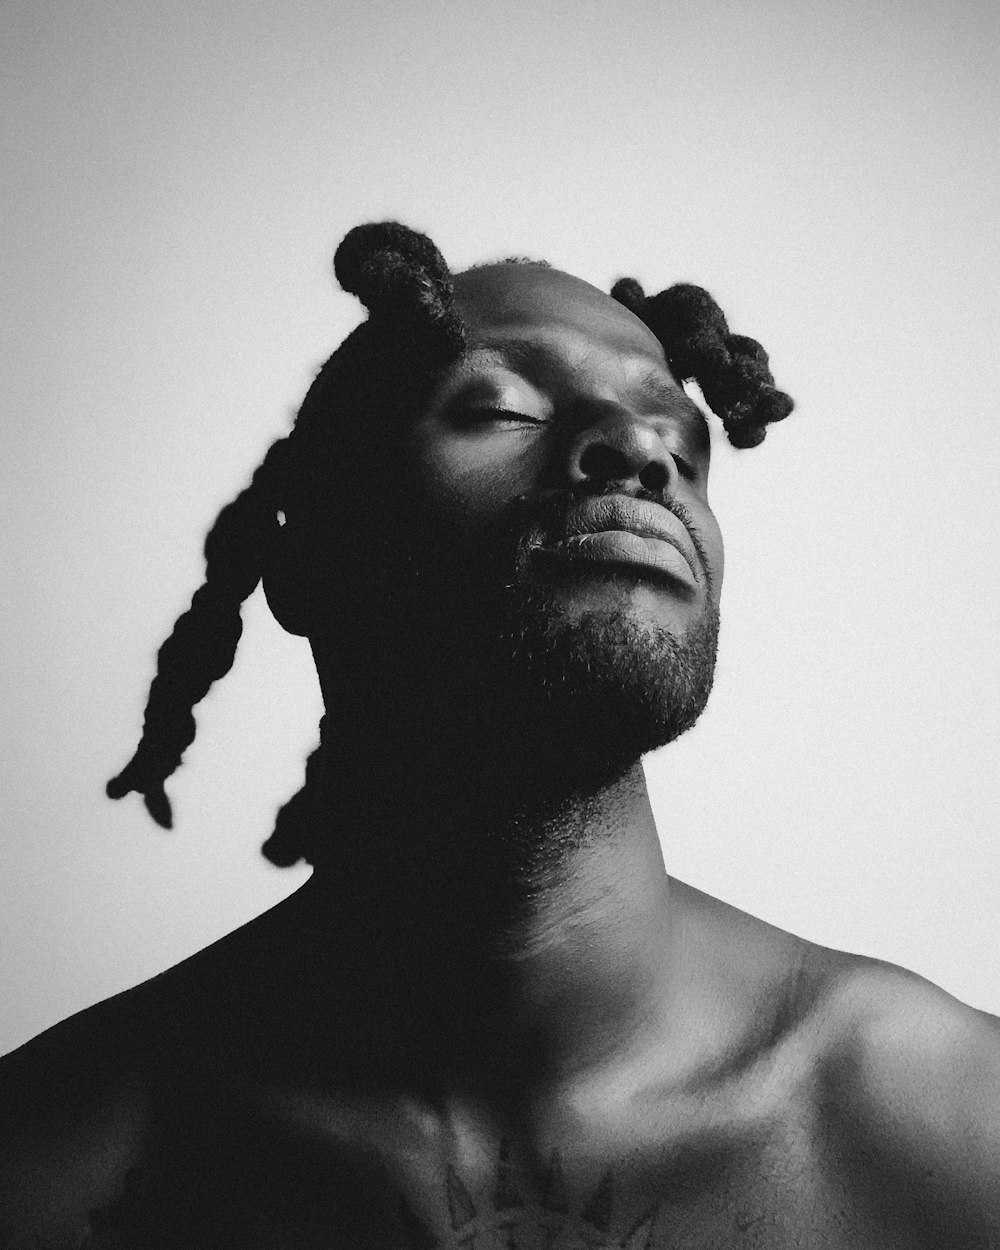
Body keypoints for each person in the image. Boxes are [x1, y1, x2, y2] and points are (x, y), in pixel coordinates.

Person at [1, 222, 997, 1249]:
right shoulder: (61, 1167)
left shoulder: (958, 1126)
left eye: (682, 443)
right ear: (313, 559)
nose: (643, 449)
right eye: (498, 404)